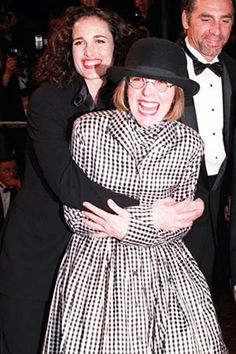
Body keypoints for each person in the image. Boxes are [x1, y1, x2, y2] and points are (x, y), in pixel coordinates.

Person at [42, 38, 227, 354]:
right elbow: (77, 214)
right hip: (96, 273)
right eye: (139, 81)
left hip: (166, 274)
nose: (148, 94)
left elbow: (180, 223)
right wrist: (152, 218)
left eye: (162, 84)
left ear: (175, 93)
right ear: (125, 86)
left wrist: (129, 226)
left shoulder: (189, 143)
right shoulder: (88, 129)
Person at [0, 6, 144, 354]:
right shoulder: (48, 98)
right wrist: (146, 211)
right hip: (40, 246)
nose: (89, 52)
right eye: (79, 42)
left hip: (99, 251)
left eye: (99, 41)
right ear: (68, 49)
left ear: (118, 46)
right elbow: (67, 183)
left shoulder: (135, 100)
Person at [180, 0, 236, 295]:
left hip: (222, 201)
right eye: (206, 19)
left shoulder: (233, 70)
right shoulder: (165, 66)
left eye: (225, 20)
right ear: (185, 19)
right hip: (177, 205)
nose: (217, 30)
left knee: (214, 286)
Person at [0, 151, 20, 231]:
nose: (11, 174)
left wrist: (19, 186)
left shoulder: (19, 190)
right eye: (6, 170)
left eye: (14, 170)